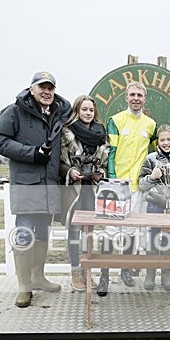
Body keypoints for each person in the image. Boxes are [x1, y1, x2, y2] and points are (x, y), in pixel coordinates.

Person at [0, 71, 71, 307]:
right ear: (31, 88)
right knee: (24, 232)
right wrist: (31, 153)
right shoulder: (14, 111)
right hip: (26, 184)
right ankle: (24, 287)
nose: (47, 92)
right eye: (42, 87)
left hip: (49, 185)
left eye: (51, 88)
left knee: (43, 231)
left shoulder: (58, 114)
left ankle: (38, 277)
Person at [102, 81, 157, 292]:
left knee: (131, 230)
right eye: (132, 94)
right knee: (109, 230)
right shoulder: (115, 120)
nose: (136, 98)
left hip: (137, 187)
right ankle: (104, 274)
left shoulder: (150, 124)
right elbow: (110, 153)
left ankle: (125, 270)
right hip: (116, 185)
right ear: (126, 97)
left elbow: (153, 154)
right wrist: (113, 179)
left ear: (144, 99)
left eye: (139, 95)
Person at [60, 95, 109, 292]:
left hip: (92, 188)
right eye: (84, 109)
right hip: (74, 188)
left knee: (88, 231)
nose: (88, 113)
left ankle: (88, 271)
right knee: (73, 231)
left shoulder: (100, 133)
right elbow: (61, 161)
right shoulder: (67, 132)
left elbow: (104, 161)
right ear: (77, 111)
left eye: (91, 110)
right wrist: (70, 171)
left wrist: (101, 173)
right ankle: (75, 272)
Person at [138, 124, 170, 291]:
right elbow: (141, 184)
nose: (166, 143)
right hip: (155, 205)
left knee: (168, 241)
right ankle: (150, 275)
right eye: (162, 140)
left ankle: (166, 276)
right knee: (153, 241)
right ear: (157, 141)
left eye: (169, 139)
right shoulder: (151, 158)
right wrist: (152, 177)